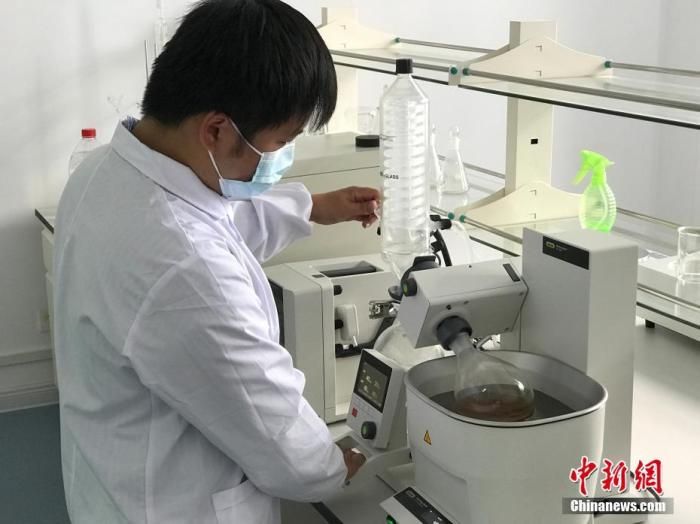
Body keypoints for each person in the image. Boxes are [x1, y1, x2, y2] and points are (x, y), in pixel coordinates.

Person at [52, 1, 374, 522]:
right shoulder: (185, 267)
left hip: (111, 479)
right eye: (281, 143)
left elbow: (213, 222)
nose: (282, 157)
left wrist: (313, 206)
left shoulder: (106, 173)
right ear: (217, 130)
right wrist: (338, 463)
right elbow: (282, 443)